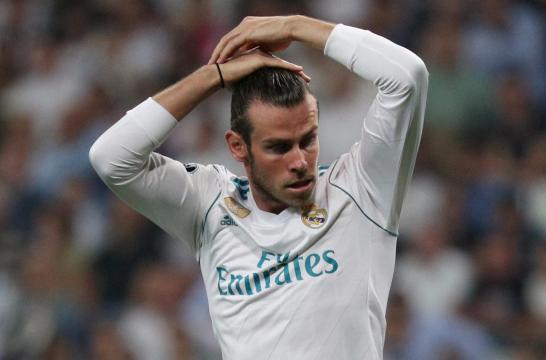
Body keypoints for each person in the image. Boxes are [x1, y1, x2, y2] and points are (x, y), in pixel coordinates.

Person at [89, 15, 428, 359]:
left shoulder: (361, 190)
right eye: (279, 147)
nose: (299, 161)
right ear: (238, 147)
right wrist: (213, 75)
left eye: (308, 140)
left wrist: (295, 28)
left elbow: (407, 76)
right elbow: (110, 158)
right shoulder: (210, 205)